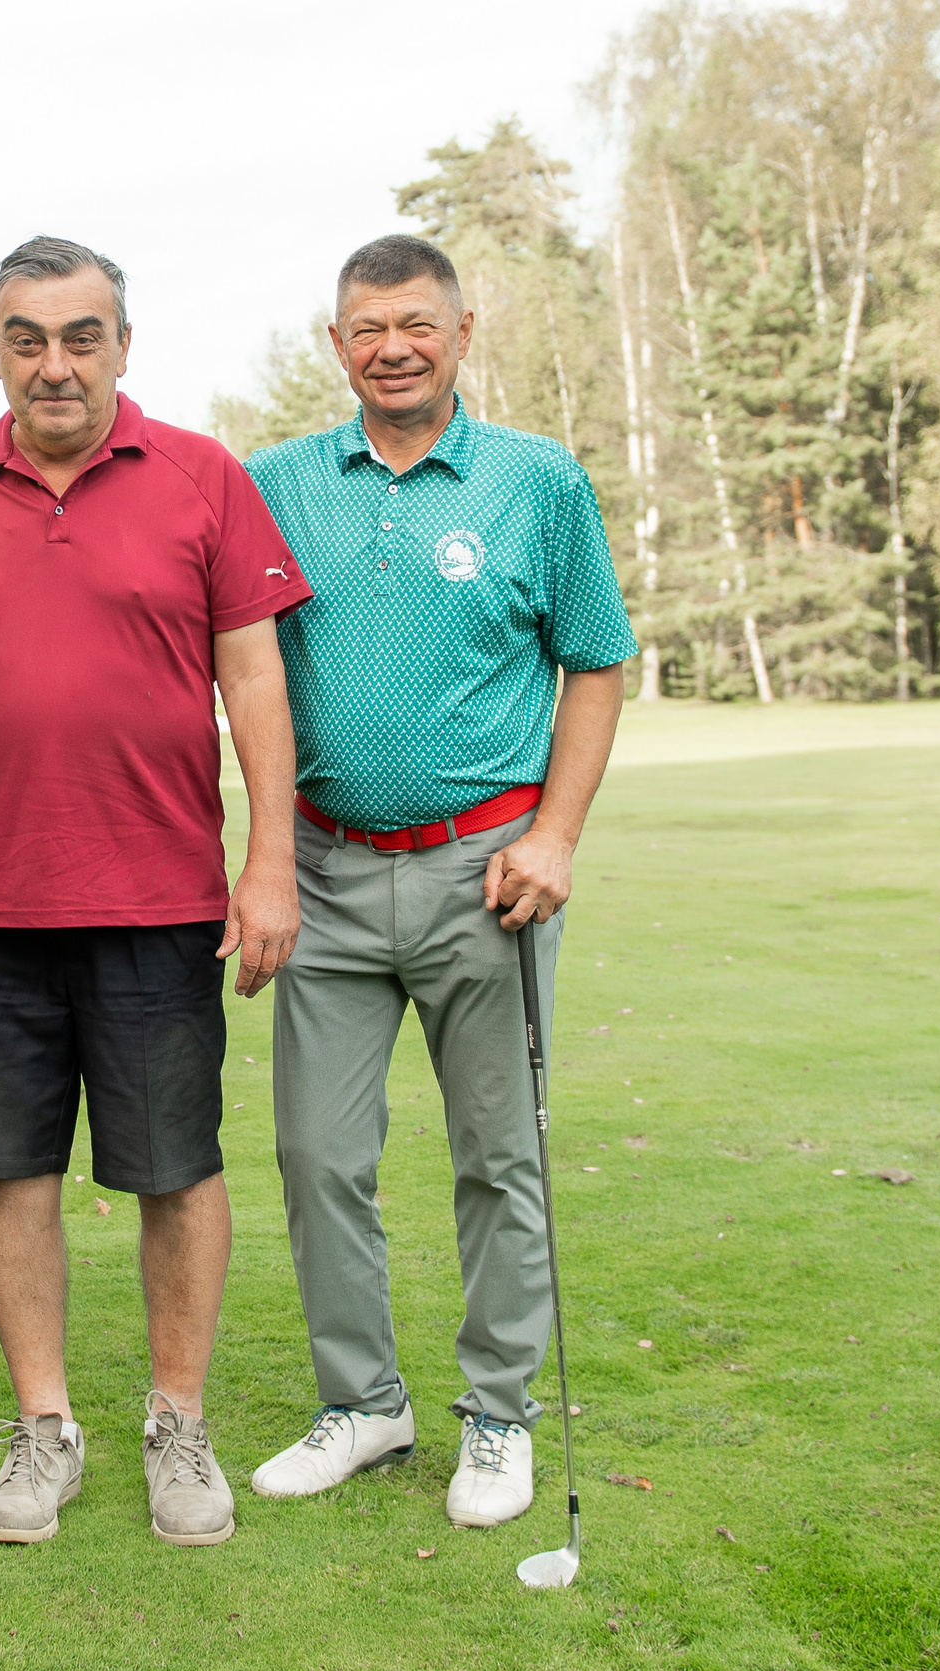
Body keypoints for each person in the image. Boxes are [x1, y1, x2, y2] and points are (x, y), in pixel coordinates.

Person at [0, 238, 310, 1547]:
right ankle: (44, 1430)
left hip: (158, 894)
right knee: (7, 1168)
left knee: (176, 1168)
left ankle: (179, 1425)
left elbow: (253, 680)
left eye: (82, 334)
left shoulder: (202, 474)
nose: (55, 361)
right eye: (26, 337)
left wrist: (267, 861)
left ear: (124, 346)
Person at [239, 234, 635, 1529]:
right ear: (337, 344)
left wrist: (559, 835)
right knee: (317, 1154)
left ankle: (500, 1416)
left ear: (463, 333)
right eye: (366, 327)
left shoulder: (538, 482)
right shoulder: (279, 484)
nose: (392, 347)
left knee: (498, 1159)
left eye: (416, 323)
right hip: (328, 875)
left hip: (491, 875)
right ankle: (364, 1405)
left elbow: (594, 659)